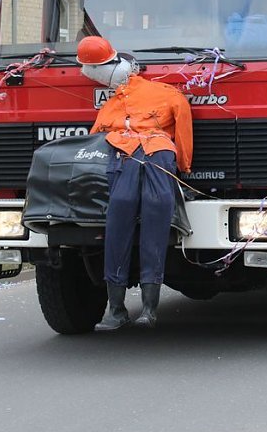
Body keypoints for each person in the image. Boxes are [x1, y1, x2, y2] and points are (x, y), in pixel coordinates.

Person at [77, 36, 193, 330]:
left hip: (149, 157)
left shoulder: (162, 94)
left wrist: (183, 165)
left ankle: (136, 310)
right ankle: (126, 309)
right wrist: (184, 167)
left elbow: (95, 137)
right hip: (132, 158)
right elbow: (97, 134)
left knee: (129, 218)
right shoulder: (119, 102)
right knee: (130, 217)